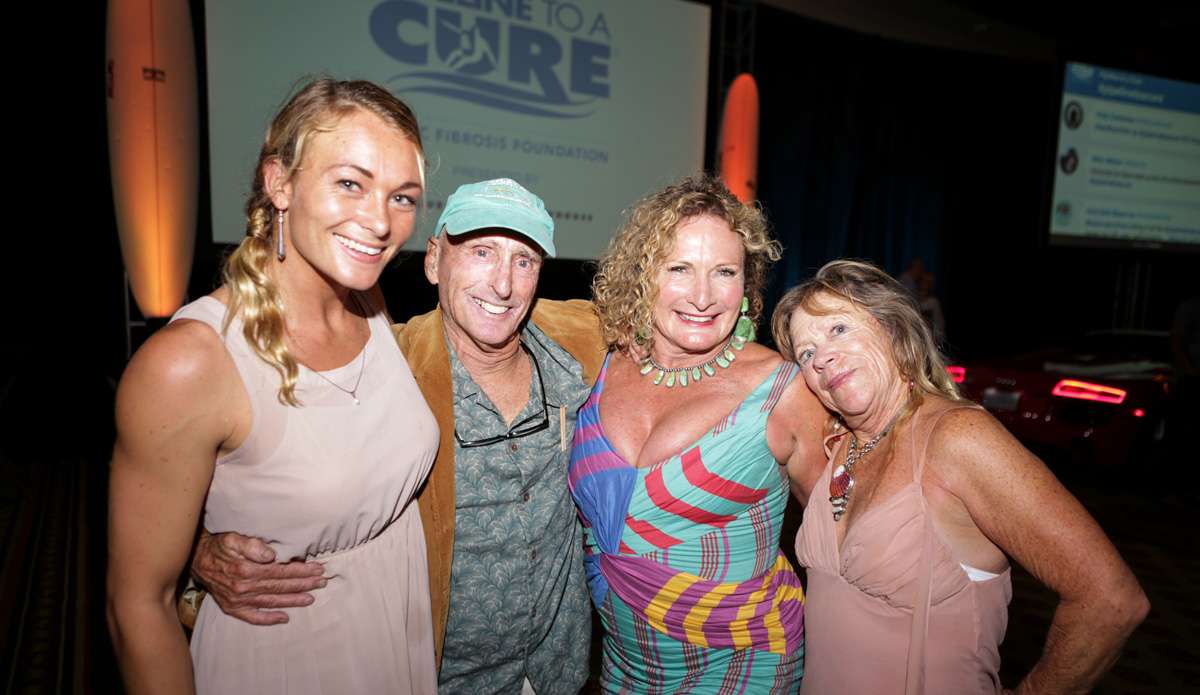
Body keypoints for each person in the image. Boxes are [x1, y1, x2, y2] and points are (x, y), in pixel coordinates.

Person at [188, 178, 605, 694]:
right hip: (430, 674)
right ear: (434, 261)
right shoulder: (383, 367)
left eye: (524, 261)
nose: (503, 284)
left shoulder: (580, 343)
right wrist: (200, 548)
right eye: (481, 252)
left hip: (556, 671)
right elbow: (255, 461)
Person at [107, 78, 439, 694]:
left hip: (398, 632)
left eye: (402, 197)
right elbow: (137, 609)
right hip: (290, 656)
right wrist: (194, 553)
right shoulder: (189, 363)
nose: (379, 220)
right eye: (350, 182)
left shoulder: (369, 299)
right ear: (279, 183)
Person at [771, 260, 1149, 695]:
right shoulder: (839, 445)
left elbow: (1112, 601)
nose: (823, 357)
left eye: (838, 329)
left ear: (892, 327)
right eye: (806, 352)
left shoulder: (956, 437)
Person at [569, 175, 827, 693]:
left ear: (746, 282)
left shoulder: (783, 393)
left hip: (745, 662)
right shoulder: (597, 364)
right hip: (620, 669)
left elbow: (840, 538)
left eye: (724, 271)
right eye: (680, 268)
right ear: (644, 275)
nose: (703, 296)